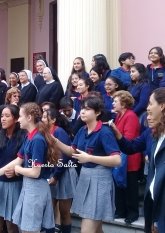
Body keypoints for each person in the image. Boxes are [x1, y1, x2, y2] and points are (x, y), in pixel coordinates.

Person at [0, 102, 59, 233]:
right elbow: (18, 159)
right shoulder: (29, 136)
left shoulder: (37, 139)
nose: (18, 119)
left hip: (36, 188)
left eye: (20, 116)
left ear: (29, 117)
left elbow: (35, 172)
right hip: (29, 187)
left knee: (29, 229)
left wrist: (16, 170)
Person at [53, 97, 121, 233]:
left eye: (87, 109)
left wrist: (90, 158)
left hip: (100, 179)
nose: (82, 112)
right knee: (96, 228)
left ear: (97, 113)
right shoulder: (82, 130)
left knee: (88, 229)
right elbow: (72, 152)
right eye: (82, 108)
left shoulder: (104, 132)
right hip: (85, 177)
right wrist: (53, 140)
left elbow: (117, 160)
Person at [111, 87, 165, 232]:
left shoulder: (131, 117)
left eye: (150, 104)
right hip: (153, 200)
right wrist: (117, 134)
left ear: (162, 106)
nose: (147, 110)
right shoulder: (150, 133)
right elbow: (130, 147)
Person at [0, 105, 26, 233]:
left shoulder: (24, 137)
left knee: (12, 226)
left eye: (7, 116)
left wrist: (17, 171)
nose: (3, 119)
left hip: (16, 184)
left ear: (16, 119)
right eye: (2, 116)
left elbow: (28, 161)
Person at [42, 108, 77, 233]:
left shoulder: (59, 132)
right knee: (49, 210)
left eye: (45, 117)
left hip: (64, 174)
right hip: (52, 172)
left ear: (53, 120)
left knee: (64, 212)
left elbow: (65, 156)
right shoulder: (45, 132)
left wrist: (56, 176)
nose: (42, 119)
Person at [111, 91, 141, 223]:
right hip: (121, 156)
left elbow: (128, 138)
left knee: (130, 186)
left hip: (130, 156)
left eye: (115, 101)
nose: (113, 103)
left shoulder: (131, 116)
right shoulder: (118, 116)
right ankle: (121, 210)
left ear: (123, 104)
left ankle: (132, 213)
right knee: (120, 185)